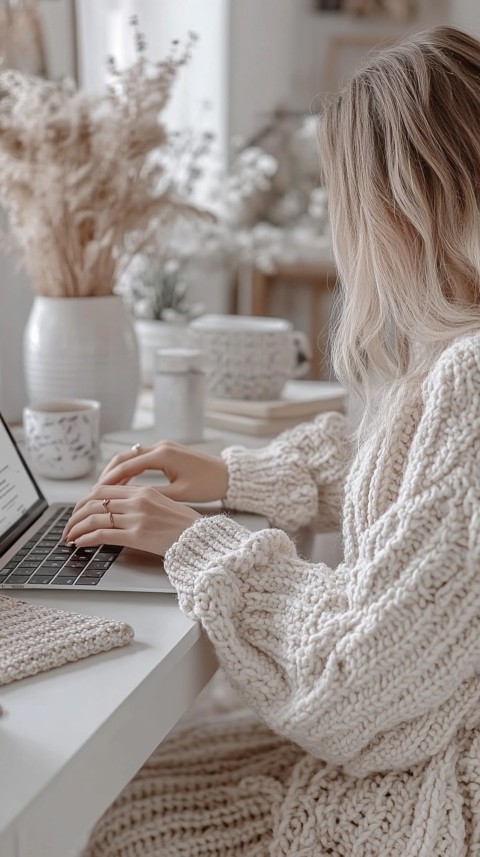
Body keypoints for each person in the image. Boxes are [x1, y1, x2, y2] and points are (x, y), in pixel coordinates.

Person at [65, 25, 480, 856]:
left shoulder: (472, 375)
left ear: (402, 204)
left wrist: (199, 542)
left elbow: (354, 681)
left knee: (114, 818)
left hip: (430, 782)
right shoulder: (458, 347)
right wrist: (236, 473)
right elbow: (418, 501)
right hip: (422, 734)